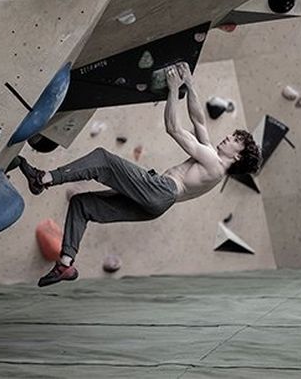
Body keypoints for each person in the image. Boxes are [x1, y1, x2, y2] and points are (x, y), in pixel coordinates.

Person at [16, 62, 262, 287]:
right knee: (82, 205)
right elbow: (198, 120)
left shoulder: (214, 162)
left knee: (102, 159)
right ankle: (65, 264)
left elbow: (173, 128)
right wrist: (190, 83)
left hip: (162, 190)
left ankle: (43, 179)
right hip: (156, 206)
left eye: (235, 140)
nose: (229, 137)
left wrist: (174, 89)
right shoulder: (214, 163)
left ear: (237, 156)